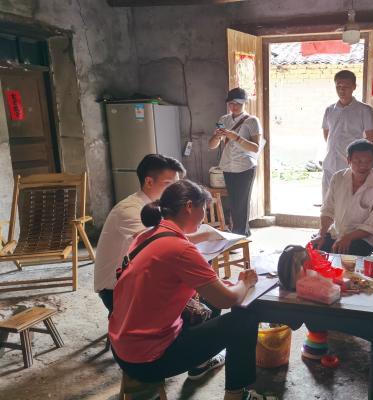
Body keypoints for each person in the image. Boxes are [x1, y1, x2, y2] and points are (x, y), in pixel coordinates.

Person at [109, 180, 274, 400]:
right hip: (148, 358)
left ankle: (201, 365)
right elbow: (228, 300)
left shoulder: (147, 234)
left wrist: (207, 242)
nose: (204, 217)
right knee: (243, 319)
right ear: (189, 206)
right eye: (203, 209)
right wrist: (245, 282)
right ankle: (236, 395)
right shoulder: (180, 249)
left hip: (122, 344)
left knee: (207, 298)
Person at [94, 154, 187, 314]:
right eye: (169, 184)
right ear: (149, 182)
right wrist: (207, 236)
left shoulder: (158, 206)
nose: (175, 191)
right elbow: (159, 242)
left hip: (140, 276)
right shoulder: (129, 209)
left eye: (177, 185)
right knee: (191, 305)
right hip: (115, 288)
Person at [312, 139, 373, 256]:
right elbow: (328, 209)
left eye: (368, 161)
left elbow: (372, 227)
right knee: (313, 249)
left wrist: (347, 238)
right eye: (358, 161)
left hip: (366, 238)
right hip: (338, 232)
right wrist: (321, 234)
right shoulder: (338, 178)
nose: (363, 166)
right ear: (348, 160)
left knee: (344, 254)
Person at [208, 87, 263, 237]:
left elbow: (255, 147)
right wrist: (217, 136)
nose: (234, 106)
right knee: (233, 201)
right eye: (231, 103)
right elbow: (212, 145)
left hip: (245, 166)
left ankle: (240, 235)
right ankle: (241, 233)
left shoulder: (252, 121)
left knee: (242, 202)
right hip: (227, 166)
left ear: (245, 103)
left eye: (238, 103)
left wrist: (236, 137)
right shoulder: (223, 120)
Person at [321, 70, 373, 201]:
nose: (342, 90)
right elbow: (327, 133)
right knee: (328, 202)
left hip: (350, 165)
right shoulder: (330, 110)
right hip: (330, 163)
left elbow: (371, 137)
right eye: (338, 86)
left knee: (347, 202)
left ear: (354, 87)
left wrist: (356, 157)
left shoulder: (364, 110)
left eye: (346, 86)